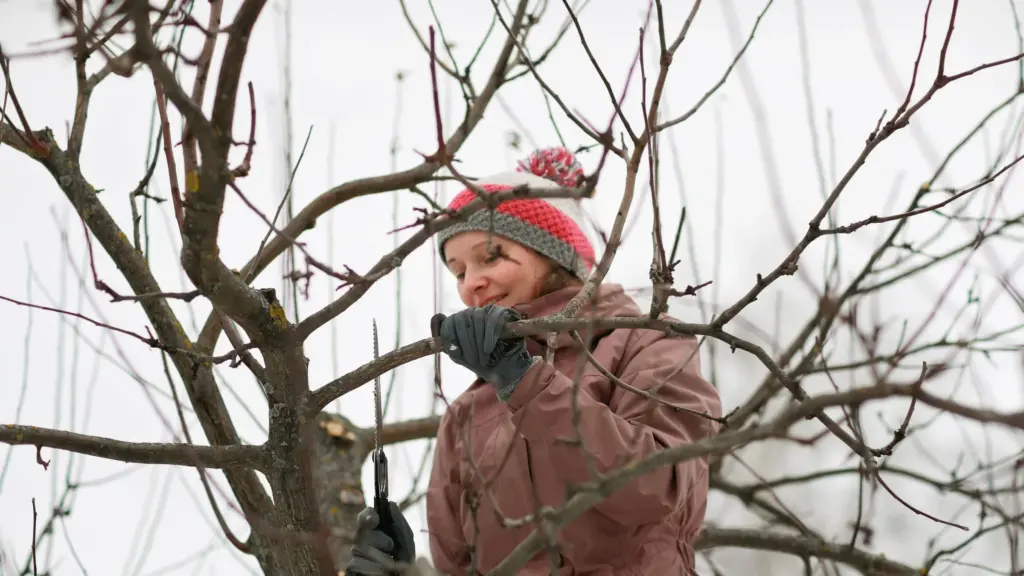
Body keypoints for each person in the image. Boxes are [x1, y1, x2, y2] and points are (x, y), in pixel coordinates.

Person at [345, 147, 722, 576]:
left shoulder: (646, 342)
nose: (471, 284)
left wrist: (523, 383)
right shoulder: (466, 415)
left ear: (554, 255)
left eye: (490, 257)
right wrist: (401, 572)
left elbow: (657, 487)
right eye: (458, 271)